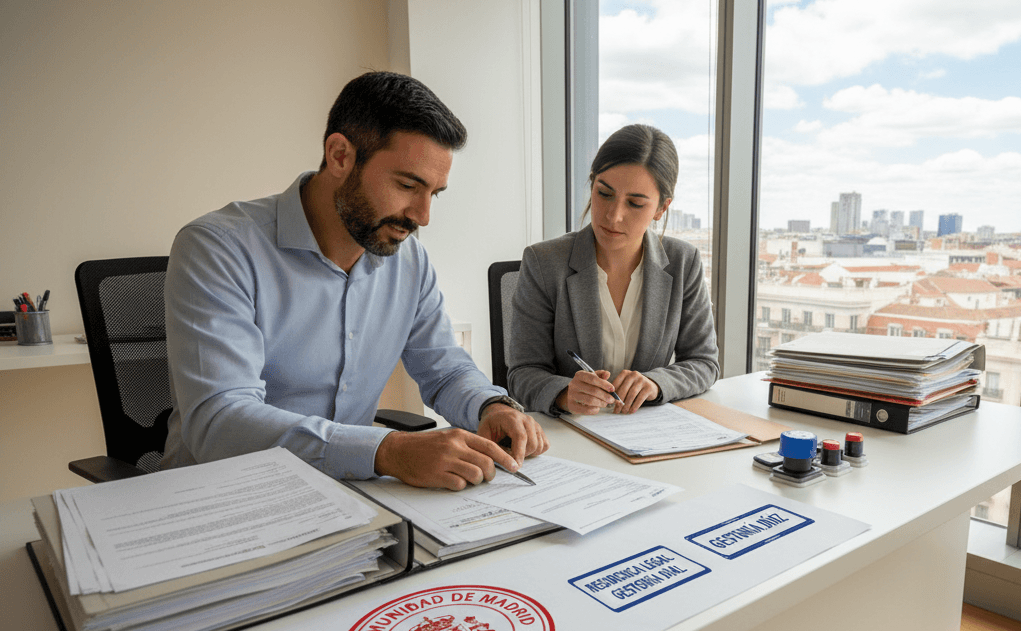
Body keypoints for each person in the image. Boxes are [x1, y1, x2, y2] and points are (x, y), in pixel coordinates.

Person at [163, 71, 547, 490]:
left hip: (348, 494)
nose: (422, 217)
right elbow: (219, 420)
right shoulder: (218, 248)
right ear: (340, 156)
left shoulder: (408, 259)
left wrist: (491, 406)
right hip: (222, 498)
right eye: (407, 185)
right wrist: (386, 451)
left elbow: (445, 370)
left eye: (433, 194)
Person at [507, 124, 719, 416]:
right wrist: (563, 393)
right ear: (592, 185)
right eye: (604, 193)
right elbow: (523, 372)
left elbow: (704, 362)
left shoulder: (684, 261)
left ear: (661, 208)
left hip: (648, 435)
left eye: (635, 203)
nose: (614, 216)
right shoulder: (543, 263)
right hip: (571, 432)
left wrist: (656, 383)